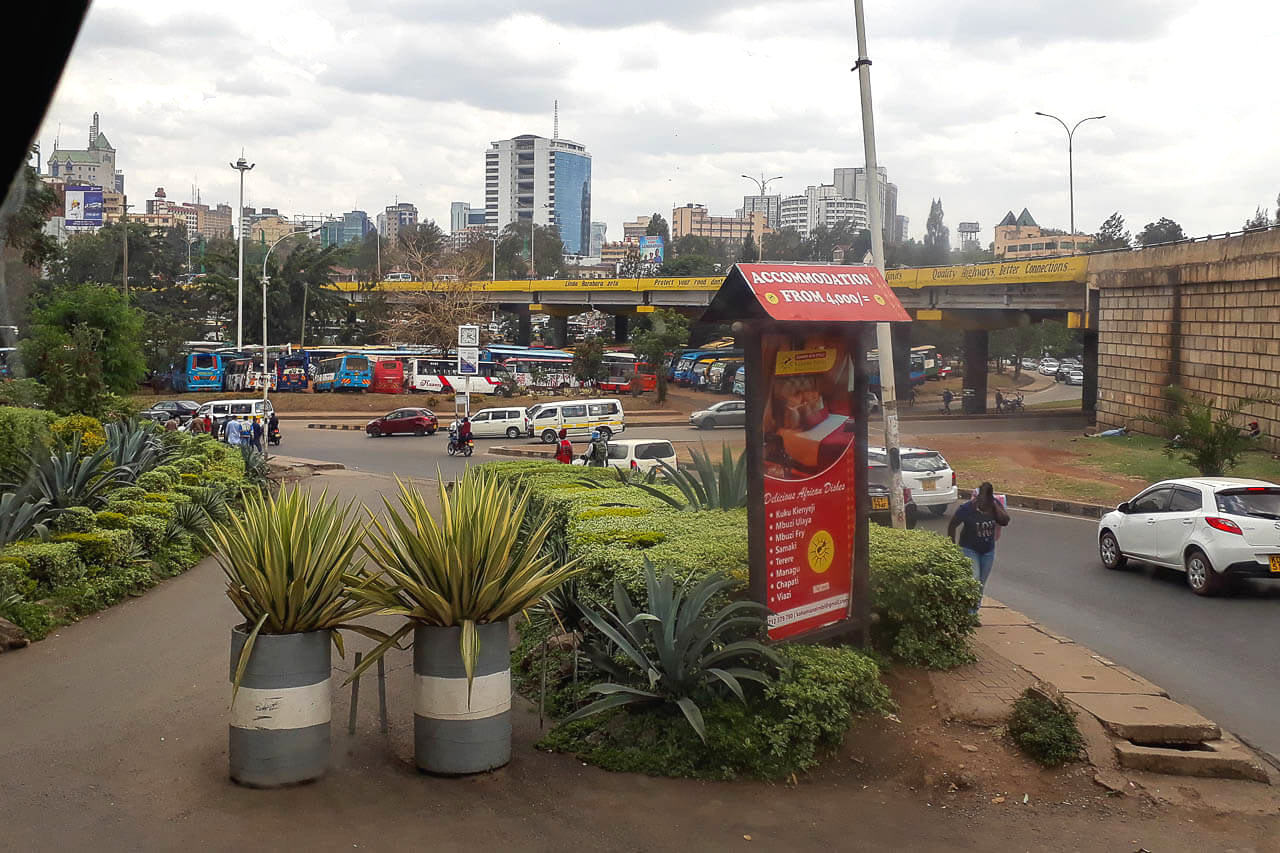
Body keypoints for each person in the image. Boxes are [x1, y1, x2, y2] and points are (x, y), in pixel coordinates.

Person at [947, 482, 1011, 610]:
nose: (984, 507)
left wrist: (994, 506)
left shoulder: (994, 505)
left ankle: (974, 610)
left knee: (981, 583)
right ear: (977, 499)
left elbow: (1005, 521)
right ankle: (969, 613)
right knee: (974, 579)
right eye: (982, 503)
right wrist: (952, 547)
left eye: (987, 503)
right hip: (969, 549)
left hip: (988, 550)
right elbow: (952, 526)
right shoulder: (966, 509)